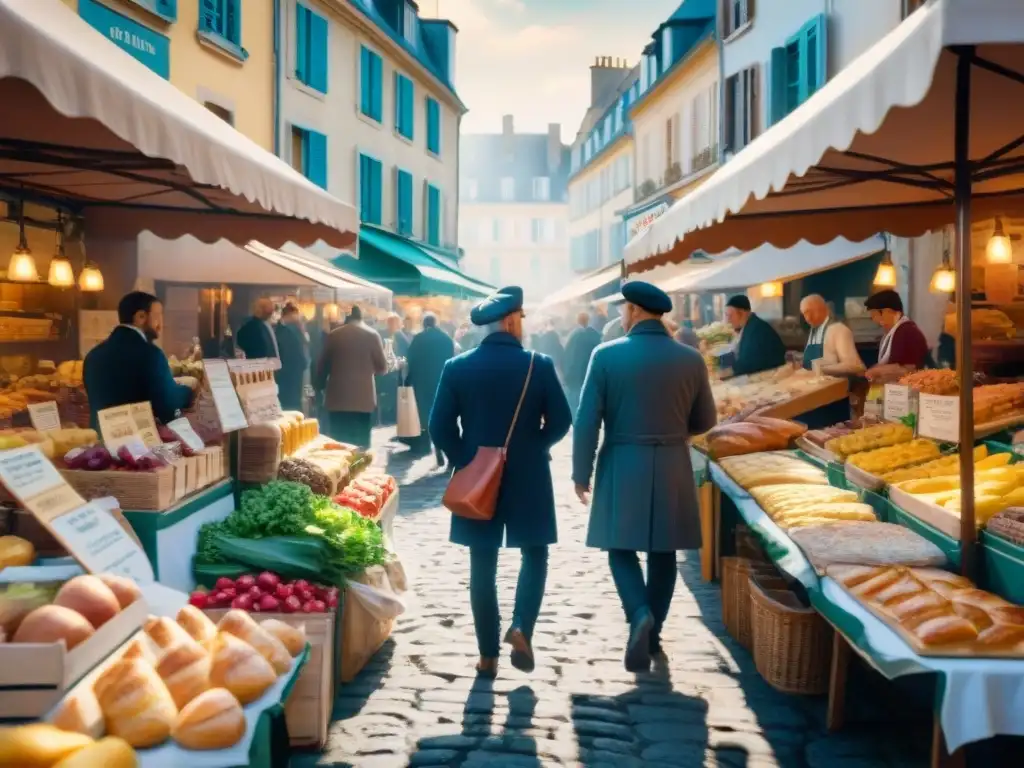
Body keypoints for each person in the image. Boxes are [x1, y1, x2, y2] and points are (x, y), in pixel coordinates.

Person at [572, 281, 717, 672]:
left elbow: (586, 421)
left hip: (622, 459)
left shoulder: (605, 355)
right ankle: (653, 635)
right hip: (671, 460)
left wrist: (579, 473)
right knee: (664, 551)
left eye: (623, 309)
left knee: (620, 547)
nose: (621, 315)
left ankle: (638, 613)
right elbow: (706, 420)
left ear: (634, 310)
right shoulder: (690, 359)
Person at [429, 287, 572, 678]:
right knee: (535, 554)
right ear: (510, 321)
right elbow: (561, 420)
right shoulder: (537, 365)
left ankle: (487, 656)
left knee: (482, 563)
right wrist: (534, 446)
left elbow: (438, 427)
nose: (522, 325)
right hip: (529, 475)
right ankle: (522, 627)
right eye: (521, 319)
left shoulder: (457, 367)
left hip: (478, 479)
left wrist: (467, 461)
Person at [84, 292, 196, 427]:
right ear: (141, 316)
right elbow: (168, 405)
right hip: (138, 442)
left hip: (100, 443)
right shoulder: (151, 355)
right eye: (158, 316)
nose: (161, 324)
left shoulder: (93, 355)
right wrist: (189, 392)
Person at [316, 305, 389, 448]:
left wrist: (318, 386)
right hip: (363, 399)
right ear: (361, 318)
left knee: (339, 443)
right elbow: (382, 367)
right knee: (361, 443)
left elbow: (322, 366)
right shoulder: (372, 335)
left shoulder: (334, 335)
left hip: (338, 399)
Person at [797, 294, 866, 427]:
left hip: (832, 404)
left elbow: (856, 366)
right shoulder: (814, 331)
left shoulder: (838, 330)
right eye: (805, 314)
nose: (808, 318)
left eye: (812, 312)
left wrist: (823, 368)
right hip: (810, 400)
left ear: (824, 309)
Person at [406, 313, 455, 465]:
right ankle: (448, 451)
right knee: (445, 416)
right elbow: (452, 360)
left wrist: (409, 380)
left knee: (426, 416)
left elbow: (411, 360)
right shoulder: (446, 339)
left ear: (424, 324)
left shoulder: (418, 339)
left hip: (422, 382)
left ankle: (433, 448)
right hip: (443, 382)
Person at [863, 289, 930, 381]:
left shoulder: (908, 332)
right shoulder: (894, 332)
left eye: (874, 315)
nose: (873, 319)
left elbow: (911, 369)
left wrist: (876, 372)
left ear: (888, 312)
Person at [725, 294, 787, 376]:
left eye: (730, 316)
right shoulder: (749, 326)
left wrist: (726, 372)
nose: (728, 320)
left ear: (742, 313)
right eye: (727, 316)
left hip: (771, 378)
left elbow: (747, 363)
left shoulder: (756, 329)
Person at [562, 311, 601, 415]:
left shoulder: (573, 336)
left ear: (577, 321)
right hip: (591, 376)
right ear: (588, 320)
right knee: (590, 406)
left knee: (575, 406)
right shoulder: (595, 334)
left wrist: (566, 376)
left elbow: (567, 357)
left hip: (575, 378)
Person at [275, 303, 310, 412]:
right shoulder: (293, 330)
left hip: (286, 373)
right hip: (291, 373)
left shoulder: (281, 330)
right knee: (292, 403)